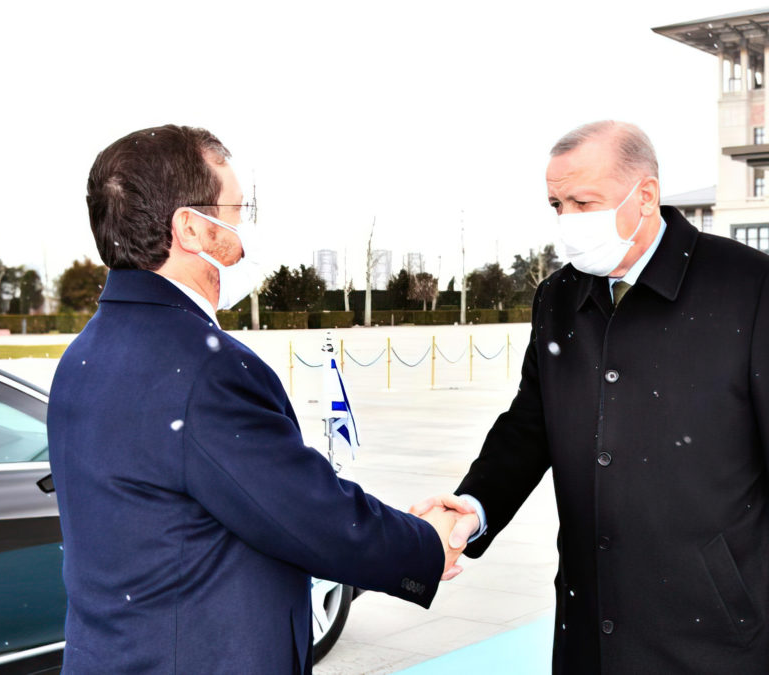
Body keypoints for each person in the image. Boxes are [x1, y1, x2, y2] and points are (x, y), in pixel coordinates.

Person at [414, 121, 769, 674]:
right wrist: (472, 509)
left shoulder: (751, 287)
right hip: (591, 625)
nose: (568, 221)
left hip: (717, 631)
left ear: (645, 196)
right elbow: (530, 425)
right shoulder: (559, 296)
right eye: (556, 204)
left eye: (583, 201)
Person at [47, 125, 461, 673]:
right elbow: (305, 514)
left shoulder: (85, 352)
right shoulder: (206, 366)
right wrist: (426, 545)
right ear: (190, 227)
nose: (244, 237)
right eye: (238, 212)